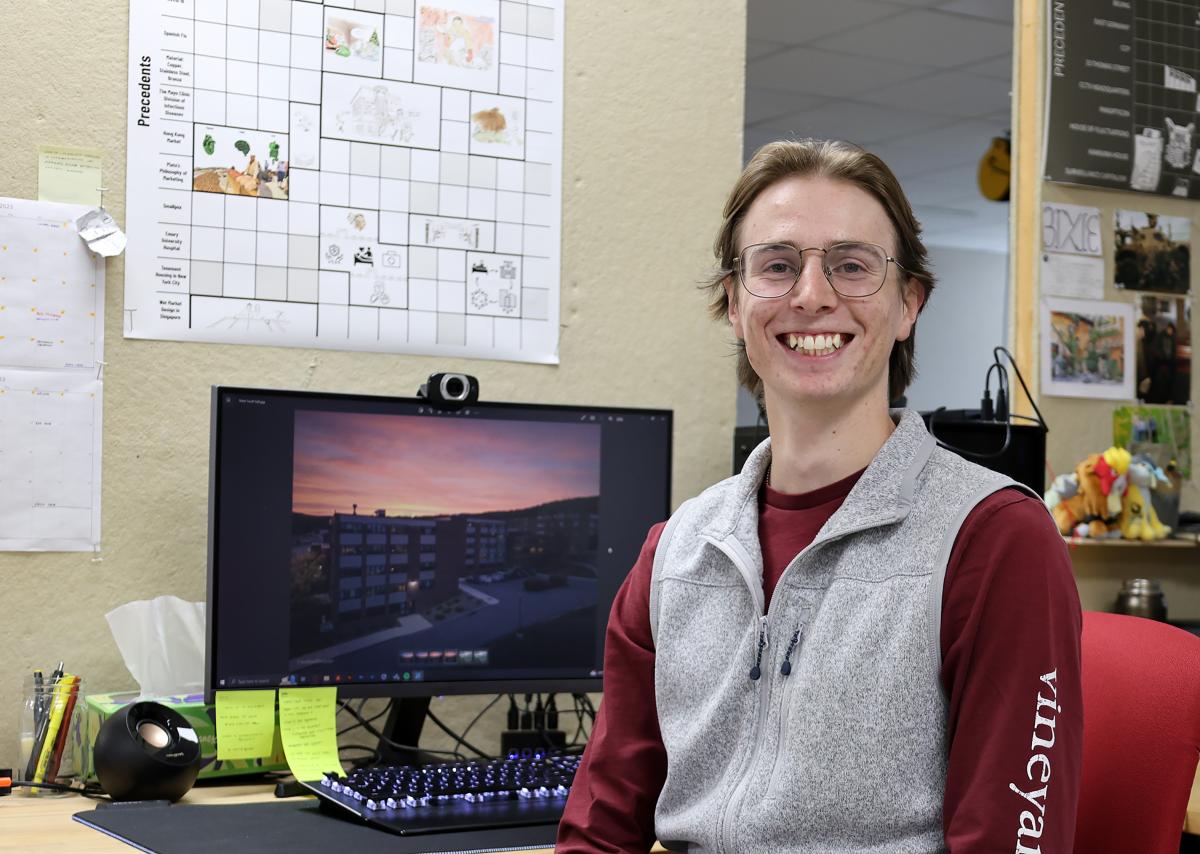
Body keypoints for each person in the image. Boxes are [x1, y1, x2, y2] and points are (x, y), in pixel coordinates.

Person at [556, 139, 1082, 852]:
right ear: (735, 303)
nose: (812, 295)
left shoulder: (993, 540)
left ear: (908, 306)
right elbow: (600, 824)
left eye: (852, 266)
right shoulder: (677, 552)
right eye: (777, 265)